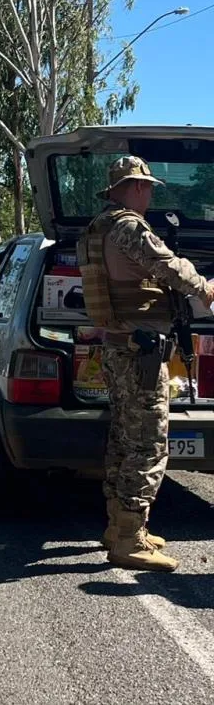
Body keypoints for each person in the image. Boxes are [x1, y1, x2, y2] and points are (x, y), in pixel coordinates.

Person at [77, 156, 214, 572]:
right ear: (134, 186)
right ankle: (129, 539)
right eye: (148, 186)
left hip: (120, 345)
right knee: (148, 442)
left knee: (123, 437)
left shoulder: (96, 228)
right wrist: (205, 287)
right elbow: (168, 266)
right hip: (141, 350)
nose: (151, 193)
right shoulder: (128, 227)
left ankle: (120, 526)